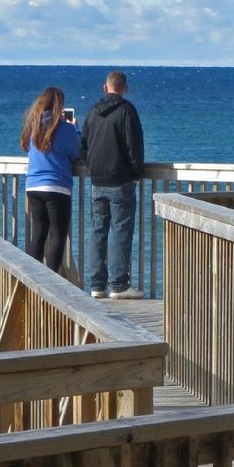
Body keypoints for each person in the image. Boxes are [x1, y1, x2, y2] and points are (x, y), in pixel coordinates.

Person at [81, 70, 146, 298]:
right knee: (121, 231)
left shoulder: (92, 112)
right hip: (120, 180)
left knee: (98, 230)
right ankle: (118, 285)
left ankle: (97, 285)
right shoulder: (126, 110)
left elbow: (83, 144)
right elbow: (134, 146)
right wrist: (136, 172)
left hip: (97, 180)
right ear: (125, 88)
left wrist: (91, 166)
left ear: (104, 87)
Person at [21, 86, 81, 273]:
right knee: (58, 235)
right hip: (57, 186)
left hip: (33, 186)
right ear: (59, 106)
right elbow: (76, 152)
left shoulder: (32, 126)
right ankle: (52, 279)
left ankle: (33, 277)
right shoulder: (65, 128)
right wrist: (75, 128)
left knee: (38, 233)